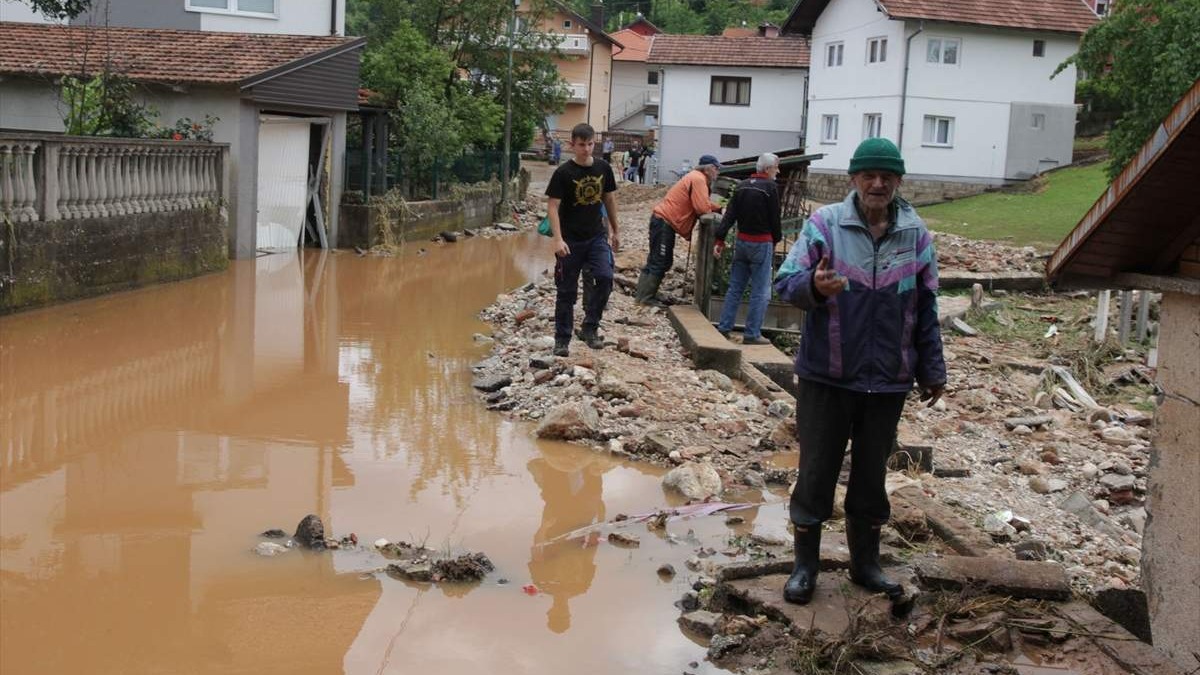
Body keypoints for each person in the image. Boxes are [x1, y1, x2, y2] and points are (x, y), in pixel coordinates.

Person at [773, 137, 945, 609]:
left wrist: (932, 368)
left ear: (898, 182)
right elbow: (785, 284)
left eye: (886, 176)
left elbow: (926, 306)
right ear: (854, 179)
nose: (877, 183)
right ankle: (804, 566)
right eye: (868, 175)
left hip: (887, 381)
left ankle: (865, 564)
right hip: (827, 376)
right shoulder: (824, 226)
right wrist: (815, 286)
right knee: (815, 473)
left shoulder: (916, 236)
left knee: (871, 478)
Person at [546, 123, 621, 357]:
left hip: (596, 236)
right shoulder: (563, 173)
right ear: (572, 145)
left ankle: (590, 328)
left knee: (605, 278)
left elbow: (609, 199)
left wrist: (615, 231)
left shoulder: (603, 168)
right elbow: (552, 206)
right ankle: (562, 339)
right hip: (570, 240)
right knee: (566, 291)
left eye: (590, 144)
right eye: (581, 145)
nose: (586, 149)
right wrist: (557, 239)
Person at [634, 154, 723, 307]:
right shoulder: (699, 179)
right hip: (665, 222)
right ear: (708, 169)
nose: (718, 172)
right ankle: (645, 298)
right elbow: (702, 207)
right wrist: (717, 209)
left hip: (662, 220)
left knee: (656, 259)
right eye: (716, 168)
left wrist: (717, 207)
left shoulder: (695, 177)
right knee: (660, 261)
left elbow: (702, 202)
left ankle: (642, 295)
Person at [713, 152, 782, 345]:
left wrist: (719, 239)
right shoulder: (770, 188)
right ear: (768, 169)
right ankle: (752, 333)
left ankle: (724, 327)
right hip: (762, 243)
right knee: (760, 291)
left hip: (742, 242)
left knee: (735, 287)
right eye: (776, 167)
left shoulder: (742, 186)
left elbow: (729, 216)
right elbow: (775, 219)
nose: (778, 170)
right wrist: (775, 240)